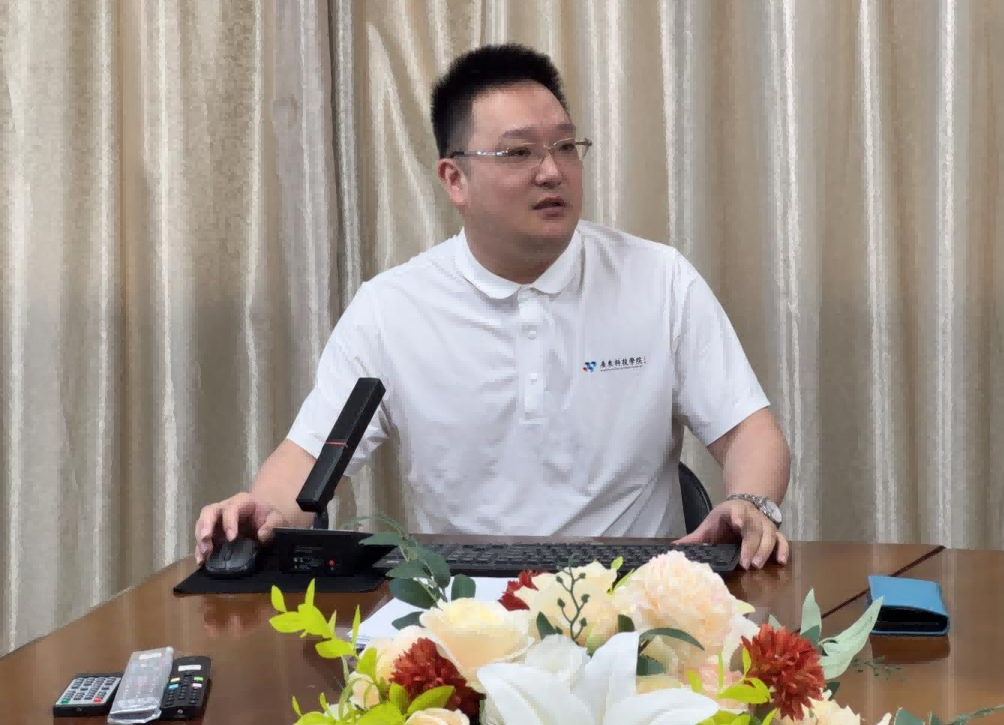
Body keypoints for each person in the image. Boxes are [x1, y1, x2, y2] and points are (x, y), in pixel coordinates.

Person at [195, 43, 791, 571]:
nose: (552, 171)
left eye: (565, 146)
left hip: (635, 601)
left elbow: (748, 431)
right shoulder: (392, 308)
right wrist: (263, 512)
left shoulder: (659, 279)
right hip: (461, 610)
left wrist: (749, 501)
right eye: (518, 153)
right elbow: (308, 456)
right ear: (454, 179)